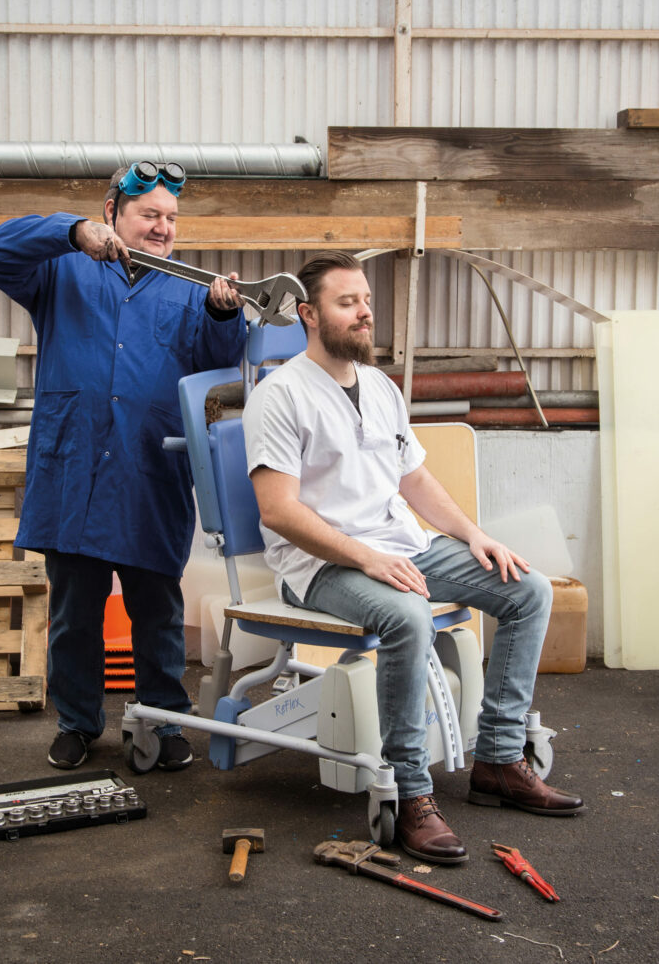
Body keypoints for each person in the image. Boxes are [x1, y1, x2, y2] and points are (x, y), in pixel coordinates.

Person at [241, 250, 583, 865]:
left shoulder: (378, 386)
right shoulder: (279, 395)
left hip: (404, 548)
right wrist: (365, 559)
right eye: (348, 303)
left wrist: (473, 534)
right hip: (319, 566)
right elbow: (278, 511)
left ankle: (500, 760)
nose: (365, 313)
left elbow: (415, 480)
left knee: (528, 590)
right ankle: (408, 790)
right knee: (409, 617)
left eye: (366, 301)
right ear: (307, 314)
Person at [0, 162, 246, 771]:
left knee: (157, 613)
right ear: (111, 212)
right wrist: (71, 233)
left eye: (171, 218)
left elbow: (220, 370)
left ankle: (163, 718)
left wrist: (226, 317)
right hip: (74, 471)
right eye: (149, 214)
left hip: (150, 471)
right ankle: (77, 722)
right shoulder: (60, 272)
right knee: (75, 615)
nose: (162, 228)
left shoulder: (189, 288)